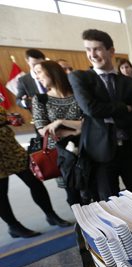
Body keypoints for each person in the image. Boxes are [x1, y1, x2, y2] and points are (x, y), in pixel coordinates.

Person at [69, 29, 132, 201]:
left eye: (97, 49)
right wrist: (124, 108)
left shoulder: (129, 83)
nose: (92, 54)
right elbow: (91, 109)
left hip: (129, 148)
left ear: (111, 51)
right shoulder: (80, 78)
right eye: (88, 49)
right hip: (100, 151)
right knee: (108, 201)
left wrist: (108, 111)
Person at [0, 106, 71, 238]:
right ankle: (13, 226)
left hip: (9, 147)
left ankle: (51, 215)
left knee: (33, 180)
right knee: (1, 191)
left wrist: (9, 119)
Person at [31, 60, 86, 206]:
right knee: (73, 194)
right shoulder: (40, 99)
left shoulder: (77, 95)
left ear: (51, 71)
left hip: (85, 147)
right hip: (61, 153)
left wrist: (60, 122)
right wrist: (77, 129)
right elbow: (43, 130)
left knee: (93, 186)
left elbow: (89, 122)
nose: (37, 77)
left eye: (39, 72)